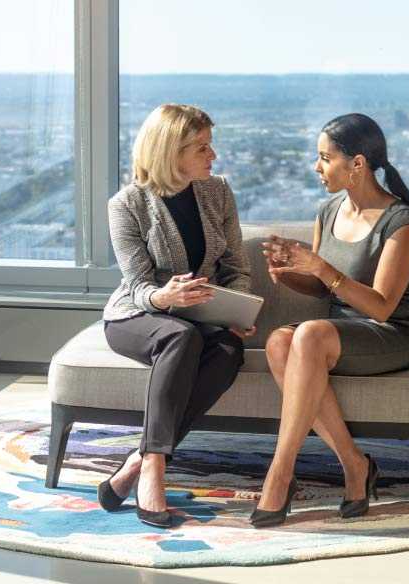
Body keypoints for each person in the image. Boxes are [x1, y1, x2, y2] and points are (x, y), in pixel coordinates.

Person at [251, 113, 409, 527]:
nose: (316, 168)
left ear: (357, 163)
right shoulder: (328, 209)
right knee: (280, 342)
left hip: (394, 334)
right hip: (337, 335)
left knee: (309, 335)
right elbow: (323, 289)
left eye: (324, 158)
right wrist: (291, 276)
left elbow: (381, 307)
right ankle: (355, 464)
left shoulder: (401, 222)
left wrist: (320, 267)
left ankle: (279, 473)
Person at [98, 104, 255, 528]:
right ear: (171, 152)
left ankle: (139, 458)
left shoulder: (217, 192)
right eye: (202, 147)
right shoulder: (127, 204)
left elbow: (236, 267)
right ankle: (155, 470)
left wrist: (236, 306)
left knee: (226, 350)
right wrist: (166, 298)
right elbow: (138, 286)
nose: (213, 155)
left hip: (200, 315)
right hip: (138, 316)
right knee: (179, 338)